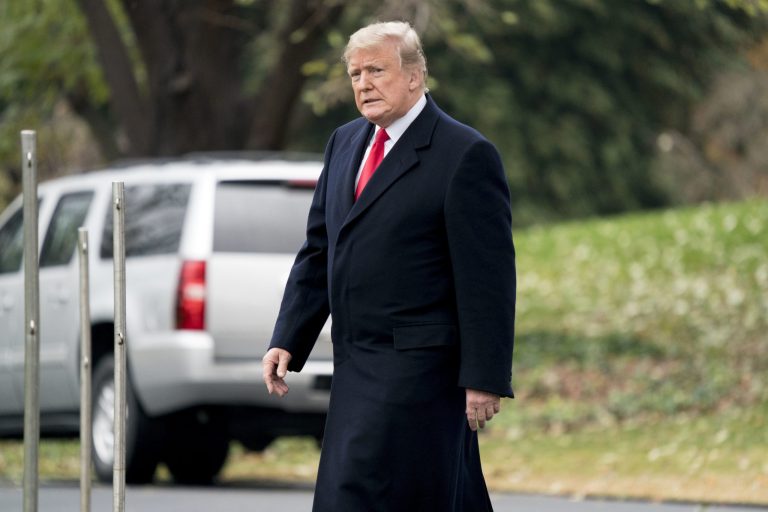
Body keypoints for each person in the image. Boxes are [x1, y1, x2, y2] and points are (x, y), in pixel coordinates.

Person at [262, 20, 516, 512]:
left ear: (415, 75)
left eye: (376, 70)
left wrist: (485, 376)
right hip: (354, 368)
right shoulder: (344, 142)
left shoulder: (464, 154)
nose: (363, 84)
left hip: (421, 376)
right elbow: (320, 249)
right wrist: (288, 336)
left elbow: (488, 279)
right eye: (355, 74)